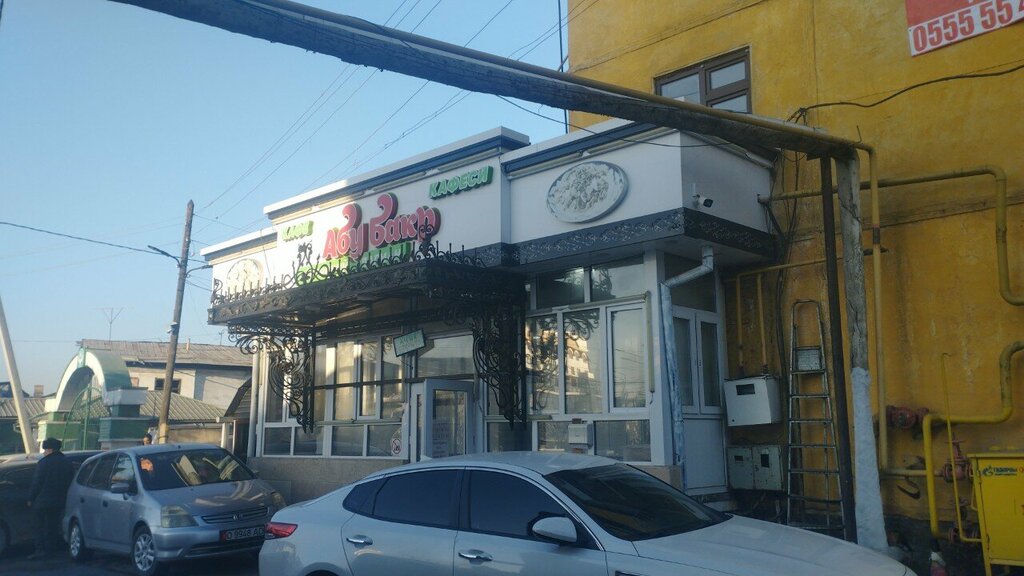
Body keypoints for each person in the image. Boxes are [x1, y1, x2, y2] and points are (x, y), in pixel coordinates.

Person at [27, 437, 74, 560]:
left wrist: (30, 498)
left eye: (45, 449)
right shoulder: (67, 463)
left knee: (40, 527)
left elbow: (37, 483)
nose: (43, 452)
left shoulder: (44, 463)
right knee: (52, 527)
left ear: (50, 449)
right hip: (59, 501)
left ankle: (40, 551)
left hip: (42, 501)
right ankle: (50, 550)